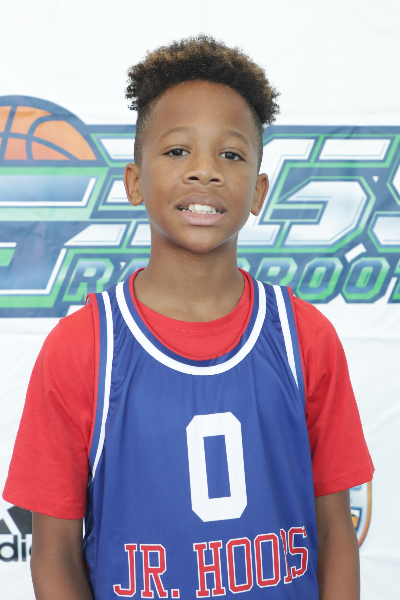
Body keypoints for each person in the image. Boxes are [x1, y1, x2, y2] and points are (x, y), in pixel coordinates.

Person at [3, 35, 373, 600]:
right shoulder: (83, 348)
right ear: (134, 181)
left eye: (231, 155)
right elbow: (53, 552)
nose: (205, 171)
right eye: (178, 151)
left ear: (259, 192)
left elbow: (335, 531)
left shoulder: (304, 338)